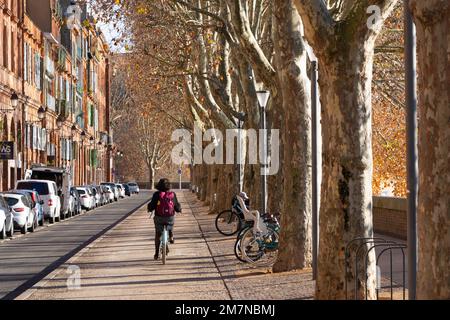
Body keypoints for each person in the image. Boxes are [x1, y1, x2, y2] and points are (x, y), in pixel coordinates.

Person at [147, 178, 182, 260]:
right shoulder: (172, 194)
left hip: (159, 218)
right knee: (171, 223)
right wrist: (179, 210)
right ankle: (171, 234)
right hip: (170, 218)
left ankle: (156, 254)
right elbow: (176, 206)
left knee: (157, 234)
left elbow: (152, 205)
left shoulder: (156, 194)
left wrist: (149, 209)